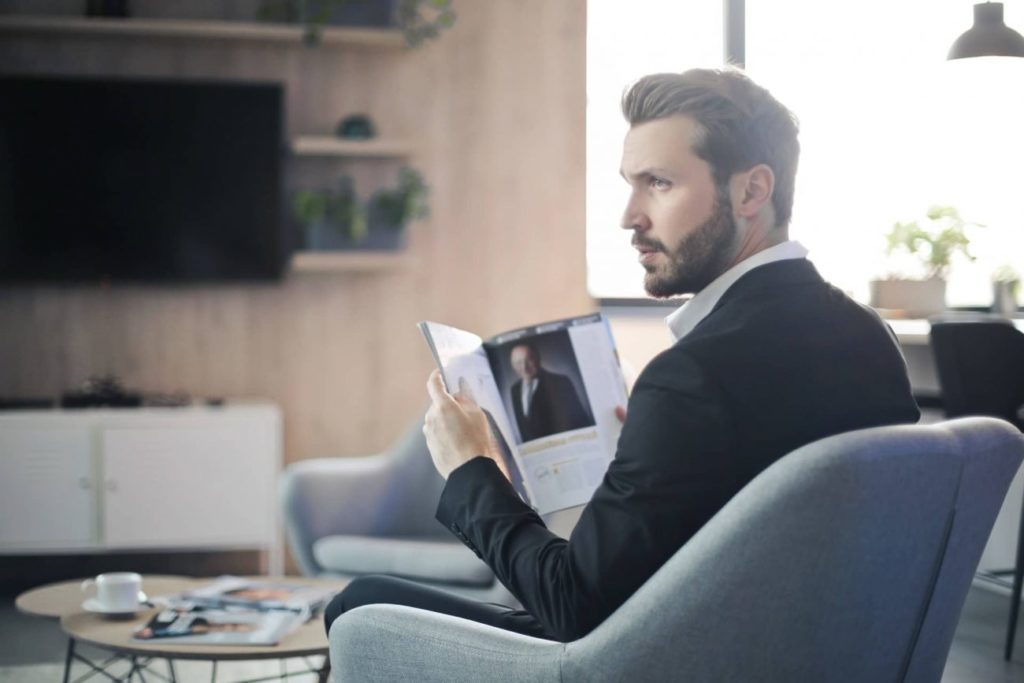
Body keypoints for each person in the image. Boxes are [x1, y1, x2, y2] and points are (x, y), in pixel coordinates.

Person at [324, 67, 920, 642]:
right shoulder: (867, 338)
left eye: (658, 183)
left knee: (359, 603)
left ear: (751, 190)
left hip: (683, 658)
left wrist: (472, 469)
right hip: (813, 647)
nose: (629, 217)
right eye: (630, 184)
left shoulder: (694, 376)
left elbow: (572, 606)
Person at [508, 342, 592, 442]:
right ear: (513, 365)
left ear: (537, 359)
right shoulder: (514, 390)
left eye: (529, 360)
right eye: (518, 363)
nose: (524, 367)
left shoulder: (560, 382)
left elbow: (580, 420)